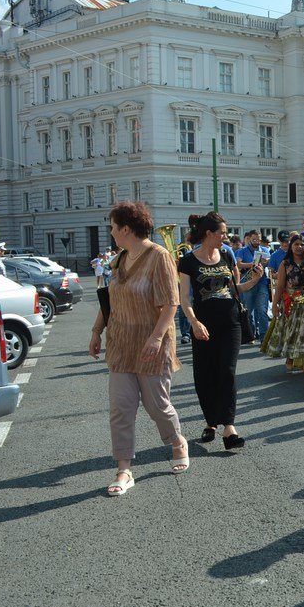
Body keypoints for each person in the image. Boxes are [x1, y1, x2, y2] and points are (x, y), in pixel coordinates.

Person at [88, 202, 187, 496]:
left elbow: (171, 303)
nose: (111, 232)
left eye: (113, 227)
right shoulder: (119, 260)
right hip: (120, 344)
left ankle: (177, 441)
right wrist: (96, 331)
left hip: (151, 345)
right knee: (121, 409)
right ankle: (124, 469)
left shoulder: (159, 257)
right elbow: (110, 302)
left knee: (156, 404)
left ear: (127, 229)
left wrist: (156, 338)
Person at [178, 212, 262, 451]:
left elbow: (236, 289)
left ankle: (229, 428)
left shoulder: (227, 253)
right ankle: (211, 422)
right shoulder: (188, 261)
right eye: (222, 233)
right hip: (203, 325)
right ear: (208, 234)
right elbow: (184, 298)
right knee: (206, 376)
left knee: (227, 371)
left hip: (230, 322)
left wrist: (254, 280)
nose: (225, 237)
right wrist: (194, 322)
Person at [265, 233, 304, 373]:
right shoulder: (285, 263)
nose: (299, 247)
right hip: (291, 302)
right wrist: (275, 305)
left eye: (302, 244)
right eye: (296, 244)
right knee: (292, 331)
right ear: (291, 246)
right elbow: (280, 285)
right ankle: (290, 357)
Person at [235, 230, 271, 342]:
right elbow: (238, 264)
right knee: (248, 311)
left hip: (262, 282)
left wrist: (266, 262)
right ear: (249, 239)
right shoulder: (242, 251)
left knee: (262, 309)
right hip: (248, 283)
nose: (257, 241)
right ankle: (251, 334)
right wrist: (252, 264)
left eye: (258, 239)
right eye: (254, 239)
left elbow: (269, 263)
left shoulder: (264, 250)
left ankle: (264, 336)